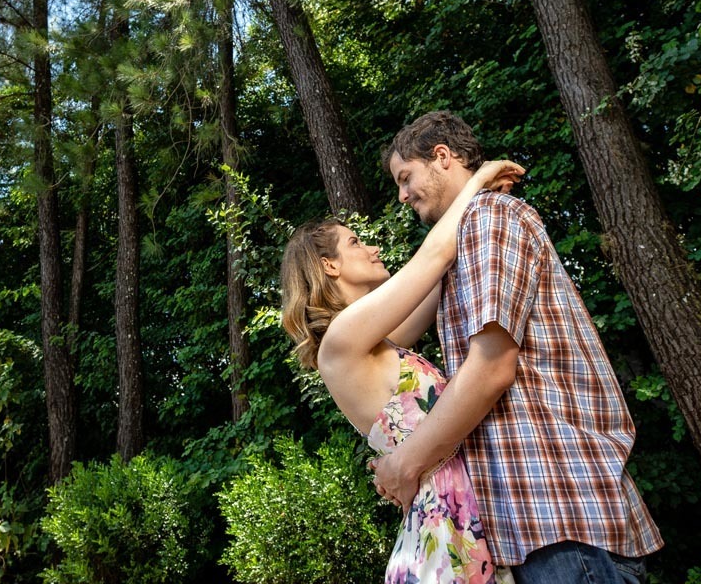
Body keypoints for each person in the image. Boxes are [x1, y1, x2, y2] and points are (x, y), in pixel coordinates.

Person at [374, 110, 663, 584]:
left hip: (564, 523)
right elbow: (393, 333)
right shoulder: (463, 239)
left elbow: (490, 367)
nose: (402, 195)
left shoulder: (491, 219)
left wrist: (406, 463)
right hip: (541, 534)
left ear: (441, 157)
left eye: (406, 178)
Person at [281, 158, 524, 584]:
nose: (372, 248)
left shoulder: (379, 340)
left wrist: (478, 203)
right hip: (444, 532)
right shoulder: (341, 341)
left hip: (460, 512)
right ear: (328, 266)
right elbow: (433, 255)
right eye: (356, 243)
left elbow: (438, 278)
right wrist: (480, 178)